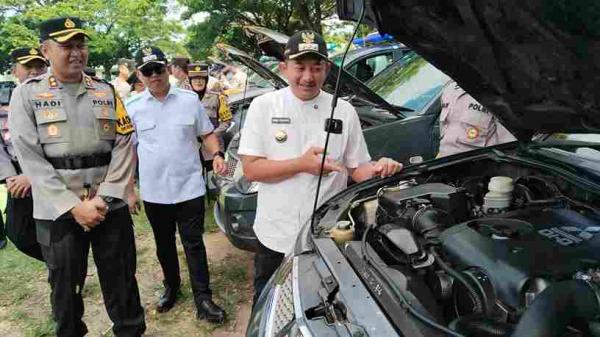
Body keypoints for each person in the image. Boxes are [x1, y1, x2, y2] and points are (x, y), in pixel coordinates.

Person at [238, 30, 403, 305]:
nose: (308, 77)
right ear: (284, 67)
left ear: (327, 69)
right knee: (268, 306)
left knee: (322, 308)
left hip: (326, 236)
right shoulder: (263, 106)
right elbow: (252, 170)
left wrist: (379, 169)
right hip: (275, 234)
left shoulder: (344, 111)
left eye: (316, 68)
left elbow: (357, 168)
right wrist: (301, 165)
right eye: (300, 67)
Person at [9, 17, 145, 336]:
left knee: (122, 280)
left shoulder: (106, 90)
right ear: (46, 50)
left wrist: (105, 197)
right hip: (57, 212)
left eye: (80, 45)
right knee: (65, 289)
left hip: (108, 207)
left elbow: (124, 143)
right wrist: (74, 207)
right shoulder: (27, 95)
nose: (76, 52)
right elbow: (30, 157)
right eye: (67, 46)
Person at [126, 46, 228, 323]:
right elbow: (128, 150)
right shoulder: (132, 107)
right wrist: (128, 189)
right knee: (164, 244)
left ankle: (203, 298)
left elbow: (207, 133)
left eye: (159, 69)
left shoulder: (188, 100)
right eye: (148, 71)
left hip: (189, 187)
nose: (155, 75)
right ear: (139, 74)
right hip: (155, 191)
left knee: (194, 243)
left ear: (168, 69)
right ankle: (172, 287)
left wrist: (216, 155)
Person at [0, 47, 48, 258]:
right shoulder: (4, 104)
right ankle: (56, 262)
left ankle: (65, 275)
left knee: (59, 233)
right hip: (17, 177)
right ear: (14, 71)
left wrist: (31, 175)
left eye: (39, 66)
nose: (34, 71)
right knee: (18, 233)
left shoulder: (56, 97)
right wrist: (10, 175)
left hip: (48, 174)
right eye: (28, 66)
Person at [437, 80, 516, 158]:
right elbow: (445, 139)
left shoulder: (497, 95)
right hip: (444, 163)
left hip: (479, 165)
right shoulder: (450, 89)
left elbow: (510, 148)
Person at [188, 63, 232, 171]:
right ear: (190, 81)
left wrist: (210, 135)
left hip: (214, 149)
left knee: (217, 179)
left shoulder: (217, 98)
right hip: (191, 149)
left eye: (201, 79)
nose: (198, 82)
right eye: (195, 79)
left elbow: (226, 122)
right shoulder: (185, 100)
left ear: (206, 80)